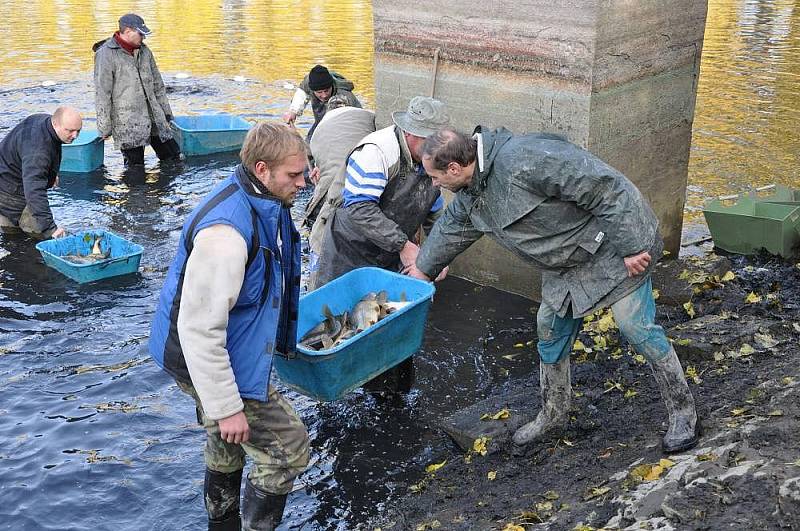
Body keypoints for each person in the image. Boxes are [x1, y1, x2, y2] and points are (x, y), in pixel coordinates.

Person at [406, 126, 700, 454]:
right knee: (548, 328)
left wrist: (631, 246)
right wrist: (421, 269)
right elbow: (452, 228)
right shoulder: (472, 193)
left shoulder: (525, 159)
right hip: (565, 267)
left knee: (635, 326)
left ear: (454, 169)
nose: (432, 184)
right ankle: (554, 414)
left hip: (614, 249)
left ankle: (683, 412)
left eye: (434, 177)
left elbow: (607, 187)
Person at [149, 123, 310, 530]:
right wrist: (226, 406)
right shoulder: (226, 236)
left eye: (305, 172)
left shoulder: (259, 195)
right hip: (199, 352)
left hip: (217, 348)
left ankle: (220, 524)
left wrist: (226, 416)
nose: (303, 183)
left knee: (228, 439)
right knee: (287, 447)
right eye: (294, 175)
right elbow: (199, 330)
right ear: (262, 169)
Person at [303, 95, 376, 289]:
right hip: (364, 189)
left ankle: (314, 287)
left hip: (334, 192)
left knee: (319, 234)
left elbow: (317, 164)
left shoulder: (319, 130)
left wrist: (319, 170)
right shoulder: (369, 117)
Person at [93, 13, 181, 167]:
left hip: (154, 116)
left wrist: (167, 114)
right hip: (127, 123)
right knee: (135, 170)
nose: (143, 38)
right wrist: (104, 128)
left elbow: (158, 85)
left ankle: (167, 191)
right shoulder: (105, 55)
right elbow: (102, 94)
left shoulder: (145, 51)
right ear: (127, 32)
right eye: (140, 34)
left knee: (175, 158)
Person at [0, 107, 82, 239]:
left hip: (8, 173)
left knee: (11, 235)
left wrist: (50, 173)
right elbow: (34, 191)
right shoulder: (38, 151)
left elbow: (47, 150)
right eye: (70, 131)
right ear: (55, 124)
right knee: (40, 238)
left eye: (78, 130)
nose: (75, 136)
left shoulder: (44, 121)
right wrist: (50, 229)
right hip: (11, 190)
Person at [281, 65, 361, 140]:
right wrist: (293, 111)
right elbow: (302, 92)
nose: (324, 95)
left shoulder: (345, 97)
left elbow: (351, 126)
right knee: (308, 148)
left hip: (347, 127)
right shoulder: (310, 81)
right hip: (320, 122)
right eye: (319, 92)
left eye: (326, 91)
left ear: (331, 86)